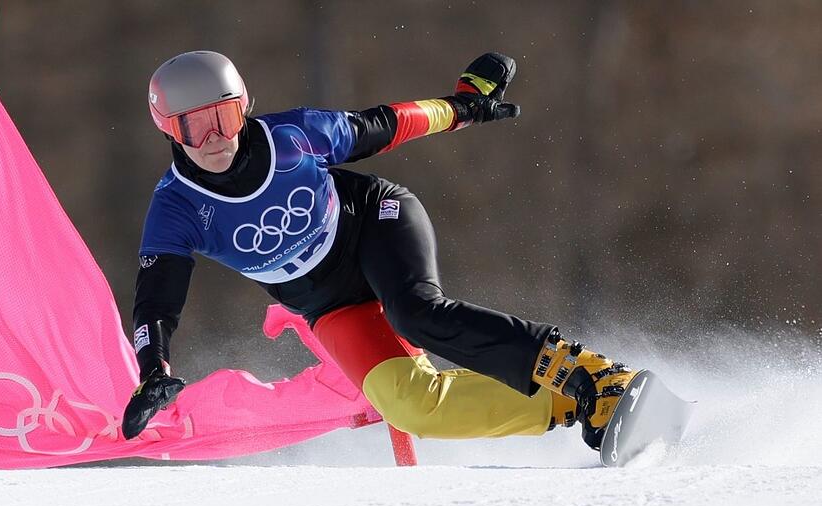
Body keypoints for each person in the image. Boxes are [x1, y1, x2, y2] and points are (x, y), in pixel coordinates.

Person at [122, 50, 638, 456]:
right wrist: (153, 371)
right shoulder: (176, 208)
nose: (215, 138)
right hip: (328, 303)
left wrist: (460, 108)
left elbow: (386, 124)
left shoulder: (293, 136)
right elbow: (156, 304)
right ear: (168, 128)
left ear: (244, 106)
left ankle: (594, 373)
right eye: (194, 125)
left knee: (417, 314)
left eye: (226, 116)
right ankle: (573, 401)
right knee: (412, 406)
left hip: (375, 222)